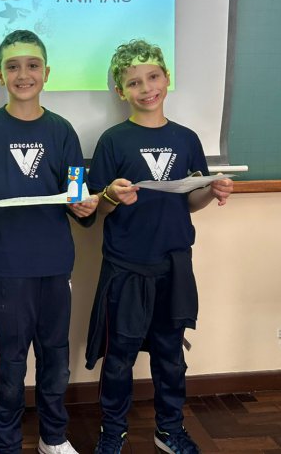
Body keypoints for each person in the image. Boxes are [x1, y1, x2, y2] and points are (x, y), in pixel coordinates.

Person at [84, 40, 233, 454]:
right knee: (119, 355)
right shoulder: (113, 140)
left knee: (171, 354)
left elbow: (191, 200)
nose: (146, 88)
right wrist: (112, 196)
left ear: (167, 78)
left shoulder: (186, 138)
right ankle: (113, 431)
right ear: (121, 91)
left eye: (153, 77)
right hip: (127, 265)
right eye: (134, 82)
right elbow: (97, 208)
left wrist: (212, 191)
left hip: (174, 263)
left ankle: (169, 429)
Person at [0, 30, 99, 454]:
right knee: (10, 362)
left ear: (46, 73)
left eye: (33, 65)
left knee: (55, 358)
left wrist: (84, 206)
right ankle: (7, 443)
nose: (23, 74)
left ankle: (53, 438)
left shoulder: (62, 131)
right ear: (0, 75)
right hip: (7, 266)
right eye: (13, 66)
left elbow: (76, 192)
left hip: (55, 263)